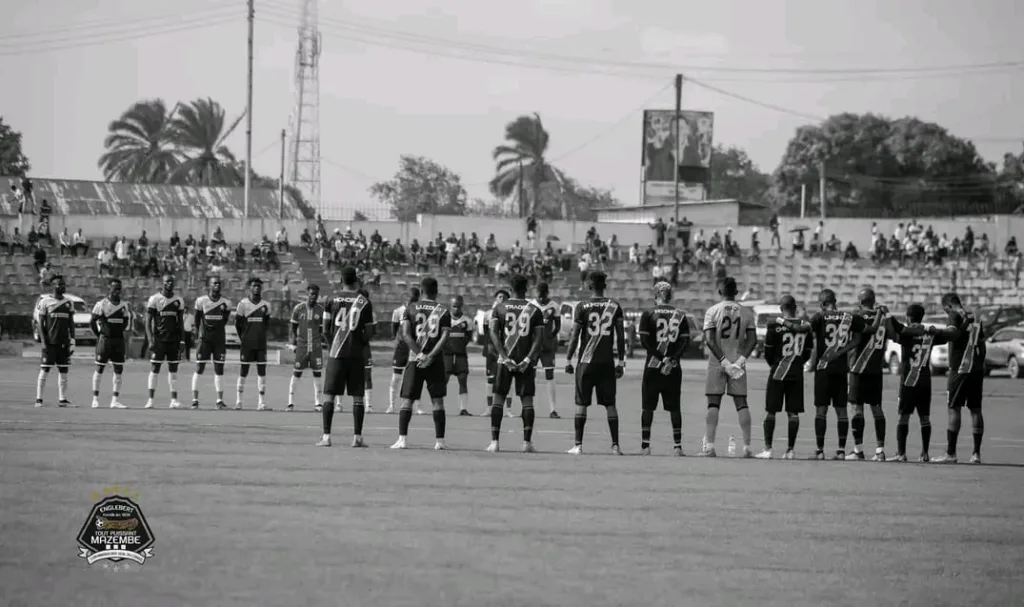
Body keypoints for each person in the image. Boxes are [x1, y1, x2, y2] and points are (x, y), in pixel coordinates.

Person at [807, 289, 882, 459]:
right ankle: (841, 450)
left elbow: (807, 332)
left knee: (821, 410)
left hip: (823, 368)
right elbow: (870, 331)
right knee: (841, 411)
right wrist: (841, 351)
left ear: (822, 304)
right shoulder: (848, 317)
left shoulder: (819, 317)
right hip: (841, 369)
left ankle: (820, 450)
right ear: (835, 301)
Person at [564, 271, 625, 455]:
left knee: (581, 403)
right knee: (610, 404)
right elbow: (621, 337)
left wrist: (568, 359)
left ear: (589, 286)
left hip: (586, 362)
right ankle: (615, 446)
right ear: (604, 285)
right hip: (606, 362)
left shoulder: (582, 306)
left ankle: (578, 445)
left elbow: (575, 335)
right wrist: (621, 362)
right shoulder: (614, 306)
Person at [486, 275, 545, 452]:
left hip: (505, 360)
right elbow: (539, 339)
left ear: (510, 289)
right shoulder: (534, 310)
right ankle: (527, 443)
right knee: (527, 401)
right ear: (526, 288)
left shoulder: (499, 308)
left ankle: (495, 443)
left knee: (499, 398)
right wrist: (528, 359)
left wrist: (504, 357)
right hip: (525, 361)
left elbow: (493, 334)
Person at [317, 267, 375, 447]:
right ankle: (357, 437)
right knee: (358, 397)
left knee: (329, 395)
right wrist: (359, 343)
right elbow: (370, 331)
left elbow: (325, 330)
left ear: (341, 280)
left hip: (336, 354)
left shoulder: (330, 299)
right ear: (356, 280)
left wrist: (332, 347)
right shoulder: (364, 302)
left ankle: (326, 437)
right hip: (356, 355)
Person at [392, 276, 451, 450]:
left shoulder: (410, 308)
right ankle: (440, 442)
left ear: (422, 291)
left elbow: (406, 334)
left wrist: (419, 354)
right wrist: (430, 355)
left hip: (414, 359)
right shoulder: (443, 311)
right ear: (436, 292)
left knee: (407, 400)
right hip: (435, 360)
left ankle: (402, 440)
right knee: (438, 401)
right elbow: (445, 336)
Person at [700, 277, 757, 457]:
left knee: (713, 403)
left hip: (717, 362)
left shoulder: (712, 311)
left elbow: (710, 340)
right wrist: (738, 362)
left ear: (719, 292)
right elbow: (753, 340)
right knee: (741, 403)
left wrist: (724, 362)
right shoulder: (746, 312)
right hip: (738, 361)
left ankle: (710, 447)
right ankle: (747, 448)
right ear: (736, 292)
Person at [928, 293, 986, 464]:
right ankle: (976, 454)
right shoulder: (974, 315)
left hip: (959, 368)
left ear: (948, 306)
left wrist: (937, 332)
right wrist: (980, 364)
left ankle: (951, 453)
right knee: (976, 409)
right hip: (975, 368)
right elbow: (982, 343)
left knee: (954, 408)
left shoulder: (954, 315)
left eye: (945, 310)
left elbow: (952, 333)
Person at [756, 295, 813, 459]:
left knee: (771, 411)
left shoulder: (774, 326)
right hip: (796, 373)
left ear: (781, 309)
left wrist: (775, 365)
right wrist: (798, 363)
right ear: (795, 308)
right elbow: (808, 352)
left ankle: (768, 449)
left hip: (778, 372)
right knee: (793, 413)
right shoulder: (805, 326)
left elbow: (768, 352)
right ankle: (790, 450)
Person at [637, 281, 690, 455]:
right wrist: (672, 359)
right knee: (675, 408)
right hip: (673, 367)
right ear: (670, 295)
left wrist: (661, 358)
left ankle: (645, 446)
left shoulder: (648, 313)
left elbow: (644, 341)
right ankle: (677, 447)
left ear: (655, 296)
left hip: (653, 365)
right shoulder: (680, 315)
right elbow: (685, 342)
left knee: (648, 407)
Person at [887, 304, 945, 462]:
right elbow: (946, 337)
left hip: (909, 380)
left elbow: (893, 332)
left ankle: (901, 453)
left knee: (903, 417)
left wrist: (887, 315)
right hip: (925, 380)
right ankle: (924, 453)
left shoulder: (906, 334)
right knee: (924, 418)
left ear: (908, 317)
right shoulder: (928, 334)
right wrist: (932, 330)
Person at [847, 288, 891, 460]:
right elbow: (894, 336)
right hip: (876, 369)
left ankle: (858, 450)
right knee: (877, 408)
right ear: (874, 300)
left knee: (856, 408)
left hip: (858, 368)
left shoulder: (857, 317)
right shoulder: (884, 318)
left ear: (860, 301)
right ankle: (880, 450)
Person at [34, 275, 76, 408]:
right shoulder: (45, 301)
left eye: (63, 284)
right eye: (59, 284)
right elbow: (40, 323)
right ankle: (39, 399)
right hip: (50, 342)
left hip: (64, 342)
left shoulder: (69, 302)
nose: (62, 286)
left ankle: (62, 400)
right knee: (45, 369)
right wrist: (43, 341)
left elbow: (71, 323)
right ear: (53, 286)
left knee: (63, 370)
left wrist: (73, 340)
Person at [145, 274, 185, 409]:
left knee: (173, 370)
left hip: (173, 341)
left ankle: (174, 400)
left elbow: (180, 322)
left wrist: (182, 341)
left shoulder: (178, 300)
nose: (170, 283)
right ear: (162, 283)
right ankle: (150, 400)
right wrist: (150, 340)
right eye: (167, 281)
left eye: (171, 281)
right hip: (159, 340)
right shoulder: (154, 299)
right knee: (155, 368)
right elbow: (148, 322)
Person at [192, 276, 232, 410]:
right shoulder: (201, 301)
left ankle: (219, 401)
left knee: (219, 369)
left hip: (219, 341)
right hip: (204, 340)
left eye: (219, 284)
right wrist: (199, 334)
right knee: (199, 368)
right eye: (214, 283)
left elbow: (224, 320)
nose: (217, 286)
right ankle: (195, 400)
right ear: (209, 285)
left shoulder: (226, 303)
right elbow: (197, 320)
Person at [90, 278, 131, 409]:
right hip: (105, 341)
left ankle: (115, 401)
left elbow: (125, 321)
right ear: (109, 289)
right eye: (115, 288)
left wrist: (119, 331)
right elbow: (92, 321)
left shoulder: (124, 306)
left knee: (118, 370)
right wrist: (99, 335)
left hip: (118, 341)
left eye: (119, 289)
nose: (117, 291)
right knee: (100, 368)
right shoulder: (101, 304)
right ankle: (95, 399)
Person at [234, 278, 272, 410]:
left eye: (259, 286)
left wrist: (260, 335)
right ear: (250, 287)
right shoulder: (242, 304)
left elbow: (266, 324)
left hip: (261, 345)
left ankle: (261, 403)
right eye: (254, 285)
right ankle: (239, 401)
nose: (257, 288)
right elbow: (238, 324)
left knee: (262, 372)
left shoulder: (266, 305)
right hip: (247, 345)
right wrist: (244, 338)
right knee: (243, 371)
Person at [288, 284, 324, 412]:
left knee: (317, 373)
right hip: (302, 346)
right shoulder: (298, 309)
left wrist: (320, 342)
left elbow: (322, 330)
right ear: (307, 294)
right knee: (297, 372)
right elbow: (293, 328)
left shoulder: (321, 310)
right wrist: (293, 344)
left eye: (316, 294)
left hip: (315, 347)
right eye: (312, 294)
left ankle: (318, 403)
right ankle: (290, 403)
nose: (314, 296)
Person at [386, 287, 420, 415]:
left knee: (414, 378)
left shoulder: (419, 311)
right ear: (407, 297)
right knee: (396, 377)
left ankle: (417, 406)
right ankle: (391, 405)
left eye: (415, 298)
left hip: (414, 346)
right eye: (410, 297)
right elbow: (394, 328)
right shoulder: (398, 311)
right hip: (401, 347)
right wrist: (397, 339)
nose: (412, 300)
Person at [531, 282, 561, 418]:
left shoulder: (554, 306)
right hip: (533, 346)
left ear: (547, 293)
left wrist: (551, 337)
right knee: (530, 376)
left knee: (550, 375)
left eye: (544, 295)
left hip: (547, 347)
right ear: (536, 293)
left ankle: (553, 409)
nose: (542, 298)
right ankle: (528, 407)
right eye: (539, 295)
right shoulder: (531, 305)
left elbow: (558, 326)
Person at [483, 289, 514, 416]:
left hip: (505, 350)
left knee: (507, 380)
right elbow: (487, 333)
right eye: (499, 297)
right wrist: (488, 348)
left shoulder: (511, 313)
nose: (502, 299)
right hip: (492, 350)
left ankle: (508, 410)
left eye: (504, 297)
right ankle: (489, 409)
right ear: (495, 299)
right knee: (490, 380)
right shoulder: (488, 314)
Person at [444, 295, 473, 416]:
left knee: (463, 380)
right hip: (446, 354)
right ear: (450, 306)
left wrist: (460, 345)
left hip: (461, 355)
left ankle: (463, 408)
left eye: (459, 306)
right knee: (443, 381)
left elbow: (468, 337)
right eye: (454, 306)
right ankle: (440, 406)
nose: (456, 309)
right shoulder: (444, 319)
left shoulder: (467, 321)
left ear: (462, 306)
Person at [358, 288, 377, 414]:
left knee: (367, 375)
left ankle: (368, 405)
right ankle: (339, 404)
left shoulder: (371, 314)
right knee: (344, 375)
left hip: (364, 347)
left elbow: (373, 332)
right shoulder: (350, 311)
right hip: (352, 347)